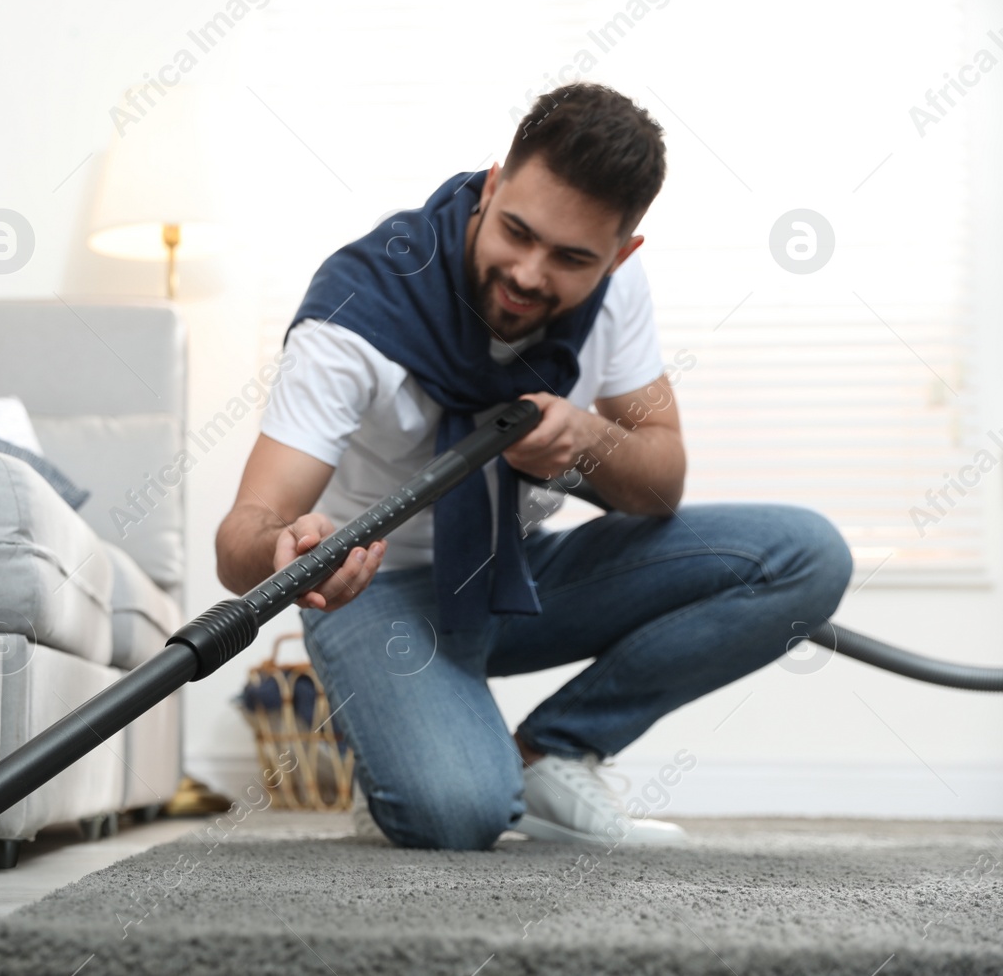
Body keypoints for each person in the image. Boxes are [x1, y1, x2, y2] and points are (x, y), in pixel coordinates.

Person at [214, 83, 853, 849]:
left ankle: (546, 752)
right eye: (516, 231)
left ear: (622, 255)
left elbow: (662, 482)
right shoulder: (354, 316)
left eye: (572, 258)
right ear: (491, 187)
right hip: (386, 595)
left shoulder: (617, 293)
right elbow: (239, 540)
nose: (527, 272)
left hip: (518, 577)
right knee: (460, 814)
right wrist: (290, 553)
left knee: (806, 557)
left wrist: (587, 440)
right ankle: (404, 757)